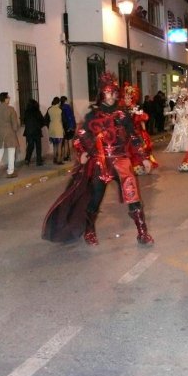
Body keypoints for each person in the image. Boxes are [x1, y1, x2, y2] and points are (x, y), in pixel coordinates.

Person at [42, 72, 154, 246]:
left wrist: (144, 157)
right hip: (100, 162)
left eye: (113, 92)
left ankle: (142, 232)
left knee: (133, 195)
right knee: (95, 198)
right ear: (102, 93)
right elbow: (81, 136)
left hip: (121, 160)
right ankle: (89, 230)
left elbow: (133, 136)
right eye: (108, 92)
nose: (111, 96)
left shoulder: (123, 115)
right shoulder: (93, 116)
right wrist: (83, 152)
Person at [119, 83, 158, 174]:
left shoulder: (135, 109)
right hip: (125, 134)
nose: (127, 100)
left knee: (138, 149)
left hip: (135, 133)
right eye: (125, 98)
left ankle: (140, 164)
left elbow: (142, 120)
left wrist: (144, 131)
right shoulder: (121, 109)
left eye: (129, 98)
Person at [0, 92, 19, 178]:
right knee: (11, 152)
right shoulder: (11, 109)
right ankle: (10, 172)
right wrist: (15, 129)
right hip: (9, 134)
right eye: (8, 97)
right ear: (5, 99)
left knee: (0, 151)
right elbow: (15, 125)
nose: (9, 99)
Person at [23, 99, 45, 166]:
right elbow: (42, 121)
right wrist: (39, 126)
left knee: (30, 146)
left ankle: (27, 159)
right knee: (38, 146)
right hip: (37, 131)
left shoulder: (26, 112)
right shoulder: (37, 111)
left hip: (29, 132)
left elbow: (24, 121)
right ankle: (38, 161)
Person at [46, 97, 64, 165]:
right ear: (58, 102)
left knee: (54, 145)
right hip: (59, 128)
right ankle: (59, 160)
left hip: (52, 128)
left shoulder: (49, 109)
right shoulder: (60, 110)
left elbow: (46, 119)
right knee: (59, 145)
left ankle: (54, 158)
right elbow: (62, 120)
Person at [60, 96, 76, 161]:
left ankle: (64, 156)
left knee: (64, 142)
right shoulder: (67, 107)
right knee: (69, 141)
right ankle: (68, 156)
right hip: (68, 126)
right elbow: (70, 117)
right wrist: (72, 126)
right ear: (65, 100)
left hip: (62, 127)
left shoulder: (60, 107)